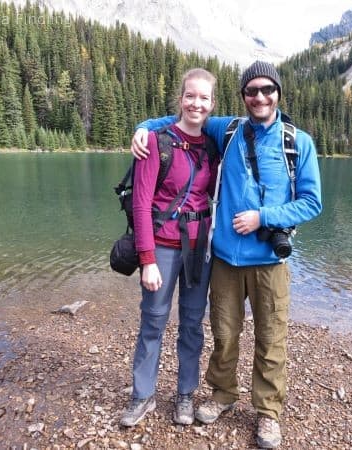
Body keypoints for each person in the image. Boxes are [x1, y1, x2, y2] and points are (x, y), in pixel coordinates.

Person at [131, 61, 322, 448]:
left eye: (267, 89)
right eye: (251, 91)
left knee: (271, 340)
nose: (260, 97)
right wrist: (144, 126)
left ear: (278, 93)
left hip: (269, 260)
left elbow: (311, 203)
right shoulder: (229, 129)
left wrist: (263, 217)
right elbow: (187, 117)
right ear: (242, 97)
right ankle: (222, 395)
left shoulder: (296, 142)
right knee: (223, 334)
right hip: (224, 260)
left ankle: (268, 414)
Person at [120, 68, 219, 427]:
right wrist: (147, 260)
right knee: (153, 322)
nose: (196, 103)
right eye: (190, 96)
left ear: (212, 103)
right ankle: (142, 396)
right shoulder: (155, 141)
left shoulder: (211, 145)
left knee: (192, 324)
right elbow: (141, 204)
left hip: (198, 248)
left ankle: (185, 395)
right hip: (161, 247)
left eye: (204, 97)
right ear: (180, 99)